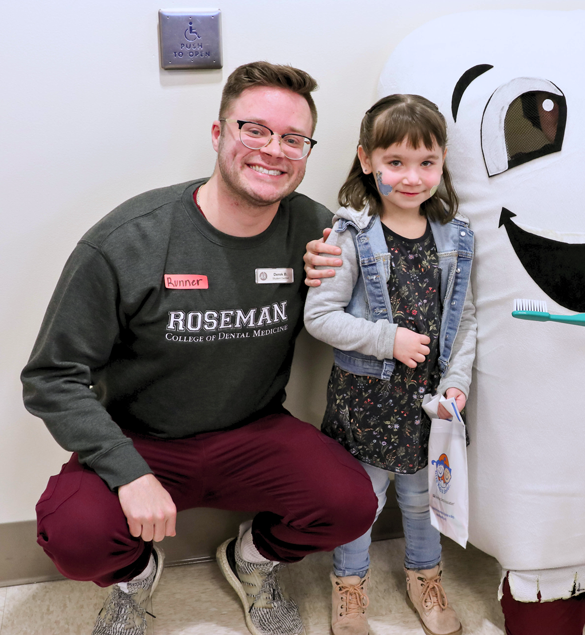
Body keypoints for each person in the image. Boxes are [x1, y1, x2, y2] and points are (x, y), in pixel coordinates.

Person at [21, 61, 376, 635]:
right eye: (254, 130)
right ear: (219, 135)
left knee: (351, 503)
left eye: (293, 139)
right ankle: (135, 577)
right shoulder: (130, 239)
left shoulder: (316, 229)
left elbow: (385, 275)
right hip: (144, 439)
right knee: (74, 537)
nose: (273, 151)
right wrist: (127, 472)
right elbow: (51, 376)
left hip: (254, 430)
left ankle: (251, 562)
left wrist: (346, 277)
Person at [303, 94, 476, 635]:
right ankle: (349, 585)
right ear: (366, 160)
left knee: (423, 499)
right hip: (367, 402)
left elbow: (465, 319)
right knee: (361, 500)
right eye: (395, 163)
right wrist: (390, 338)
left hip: (427, 405)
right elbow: (321, 316)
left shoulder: (456, 236)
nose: (411, 177)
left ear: (443, 161)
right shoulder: (350, 235)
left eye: (426, 163)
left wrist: (457, 382)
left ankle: (425, 575)